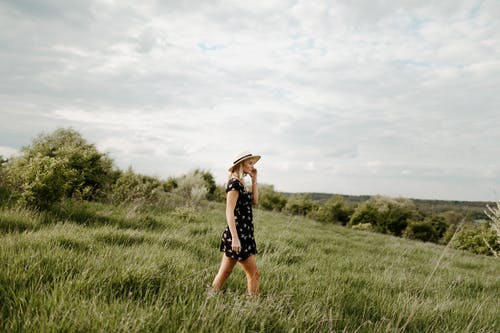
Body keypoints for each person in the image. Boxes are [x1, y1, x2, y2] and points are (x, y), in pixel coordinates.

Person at [211, 151, 261, 296]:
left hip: (244, 234)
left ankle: (210, 297)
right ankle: (255, 307)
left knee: (225, 272)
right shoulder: (234, 183)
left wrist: (254, 179)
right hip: (238, 236)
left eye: (253, 163)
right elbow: (229, 211)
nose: (252, 166)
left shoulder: (241, 182)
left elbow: (255, 201)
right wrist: (235, 238)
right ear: (241, 164)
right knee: (254, 274)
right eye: (250, 163)